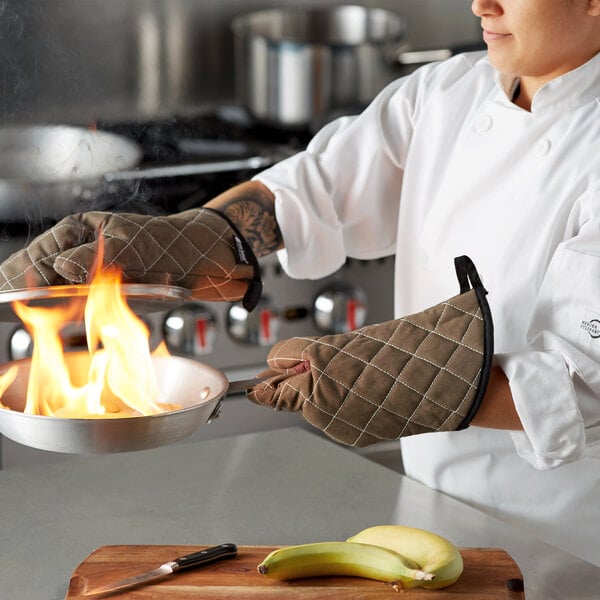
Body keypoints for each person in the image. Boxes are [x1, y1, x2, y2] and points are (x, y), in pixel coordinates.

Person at [1, 0, 599, 566]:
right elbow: (316, 188)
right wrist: (205, 235)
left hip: (568, 542)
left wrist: (388, 381)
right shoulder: (447, 92)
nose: (480, 6)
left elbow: (577, 385)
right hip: (429, 516)